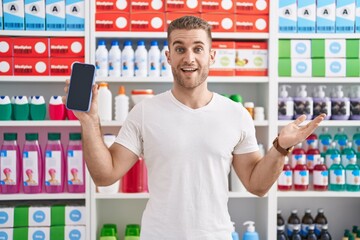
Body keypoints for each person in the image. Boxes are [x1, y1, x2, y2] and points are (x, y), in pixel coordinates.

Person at [63, 16, 325, 239]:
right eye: (179, 49)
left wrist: (281, 147)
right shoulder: (144, 112)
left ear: (211, 55)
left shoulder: (235, 114)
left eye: (198, 48)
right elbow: (104, 175)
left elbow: (257, 186)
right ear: (168, 56)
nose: (189, 58)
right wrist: (89, 120)